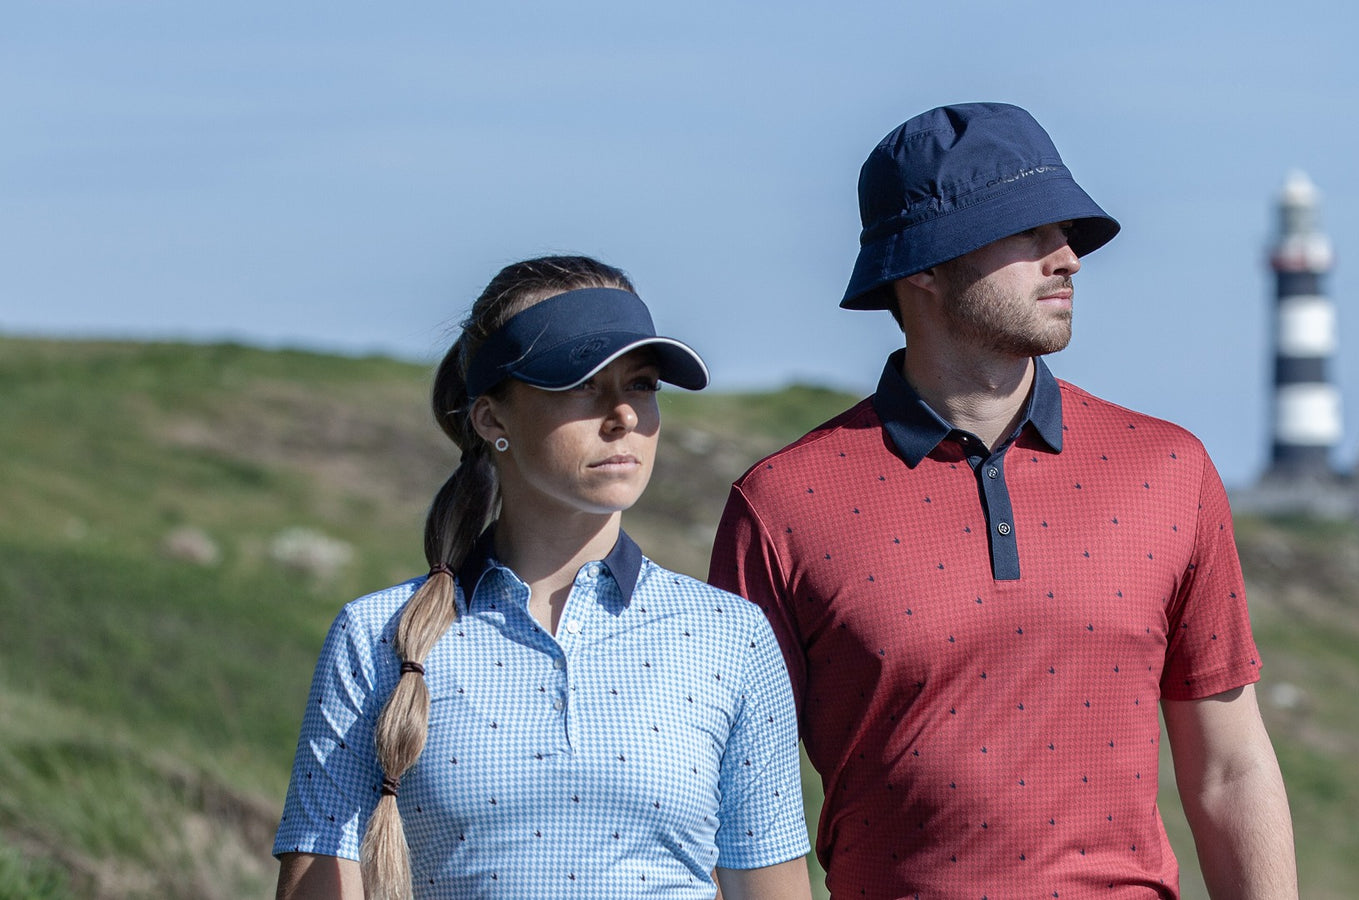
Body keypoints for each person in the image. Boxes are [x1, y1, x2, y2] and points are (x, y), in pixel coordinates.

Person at [710, 104, 1298, 899]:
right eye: (1026, 232)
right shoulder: (783, 506)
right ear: (920, 265)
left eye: (1064, 231)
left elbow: (1230, 768)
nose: (1068, 258)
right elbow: (750, 809)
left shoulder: (1170, 469)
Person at [273, 256, 812, 900]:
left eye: (641, 385)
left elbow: (770, 888)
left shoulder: (732, 636)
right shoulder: (376, 637)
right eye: (581, 384)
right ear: (492, 418)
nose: (624, 417)